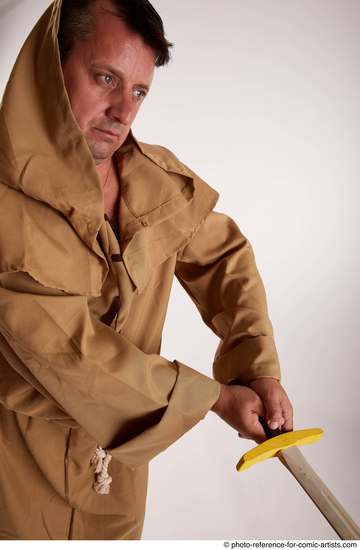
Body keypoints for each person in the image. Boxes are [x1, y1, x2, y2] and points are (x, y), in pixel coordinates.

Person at [0, 0, 293, 540]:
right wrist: (213, 399)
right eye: (105, 77)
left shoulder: (155, 179)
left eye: (139, 90)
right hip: (17, 476)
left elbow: (224, 255)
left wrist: (256, 366)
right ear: (49, 69)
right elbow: (70, 353)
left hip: (117, 478)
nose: (124, 111)